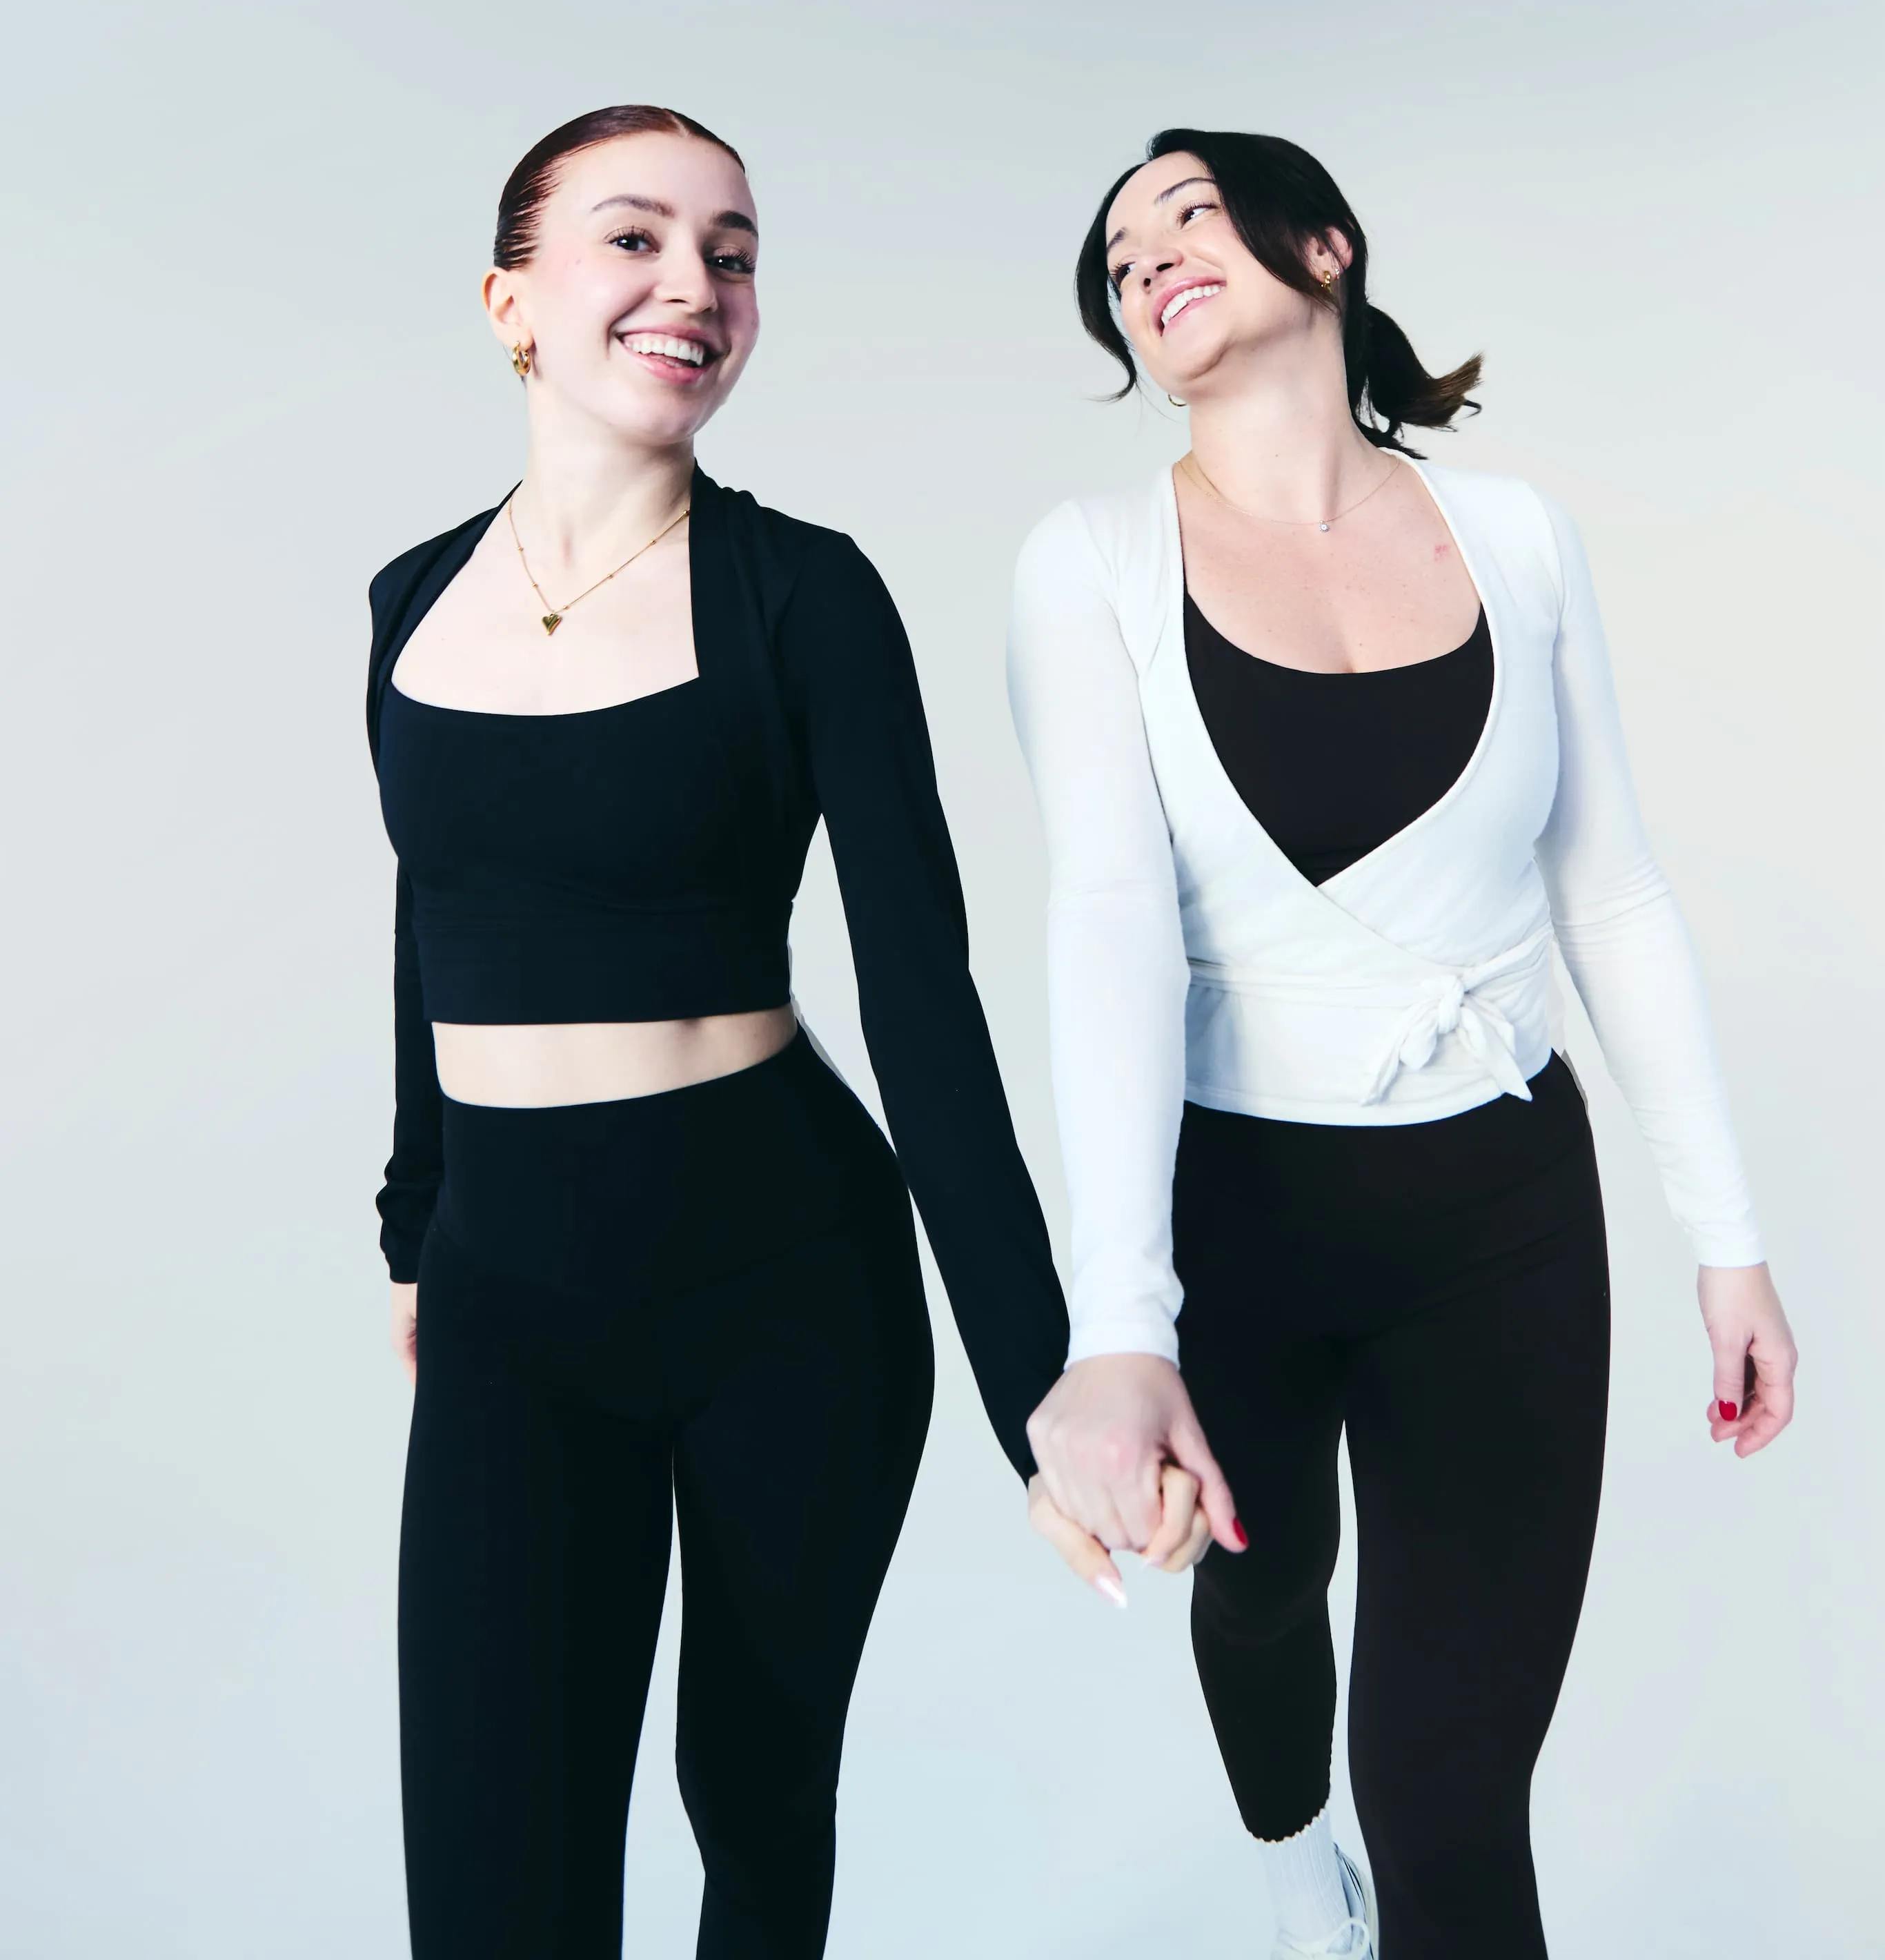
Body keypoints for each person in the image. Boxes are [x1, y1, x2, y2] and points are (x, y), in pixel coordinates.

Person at [1007, 128, 1795, 1960]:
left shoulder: (1515, 536)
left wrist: (1725, 1239)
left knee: (1446, 1793)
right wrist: (1119, 1327)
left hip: (1501, 1219)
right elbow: (1107, 930)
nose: (1148, 255)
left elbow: (1609, 893)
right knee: (1264, 1610)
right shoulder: (1090, 564)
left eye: (1188, 212)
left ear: (1325, 249)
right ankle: (1294, 1875)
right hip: (1241, 1224)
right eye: (1119, 250)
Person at [366, 104, 1067, 1960]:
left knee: (751, 1811)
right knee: (495, 1885)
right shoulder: (404, 607)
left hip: (786, 1290)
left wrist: (1041, 1389)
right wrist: (412, 1216)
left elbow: (924, 1003)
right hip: (512, 1300)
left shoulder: (806, 597)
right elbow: (428, 907)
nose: (696, 284)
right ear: (511, 301)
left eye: (734, 252)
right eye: (636, 238)